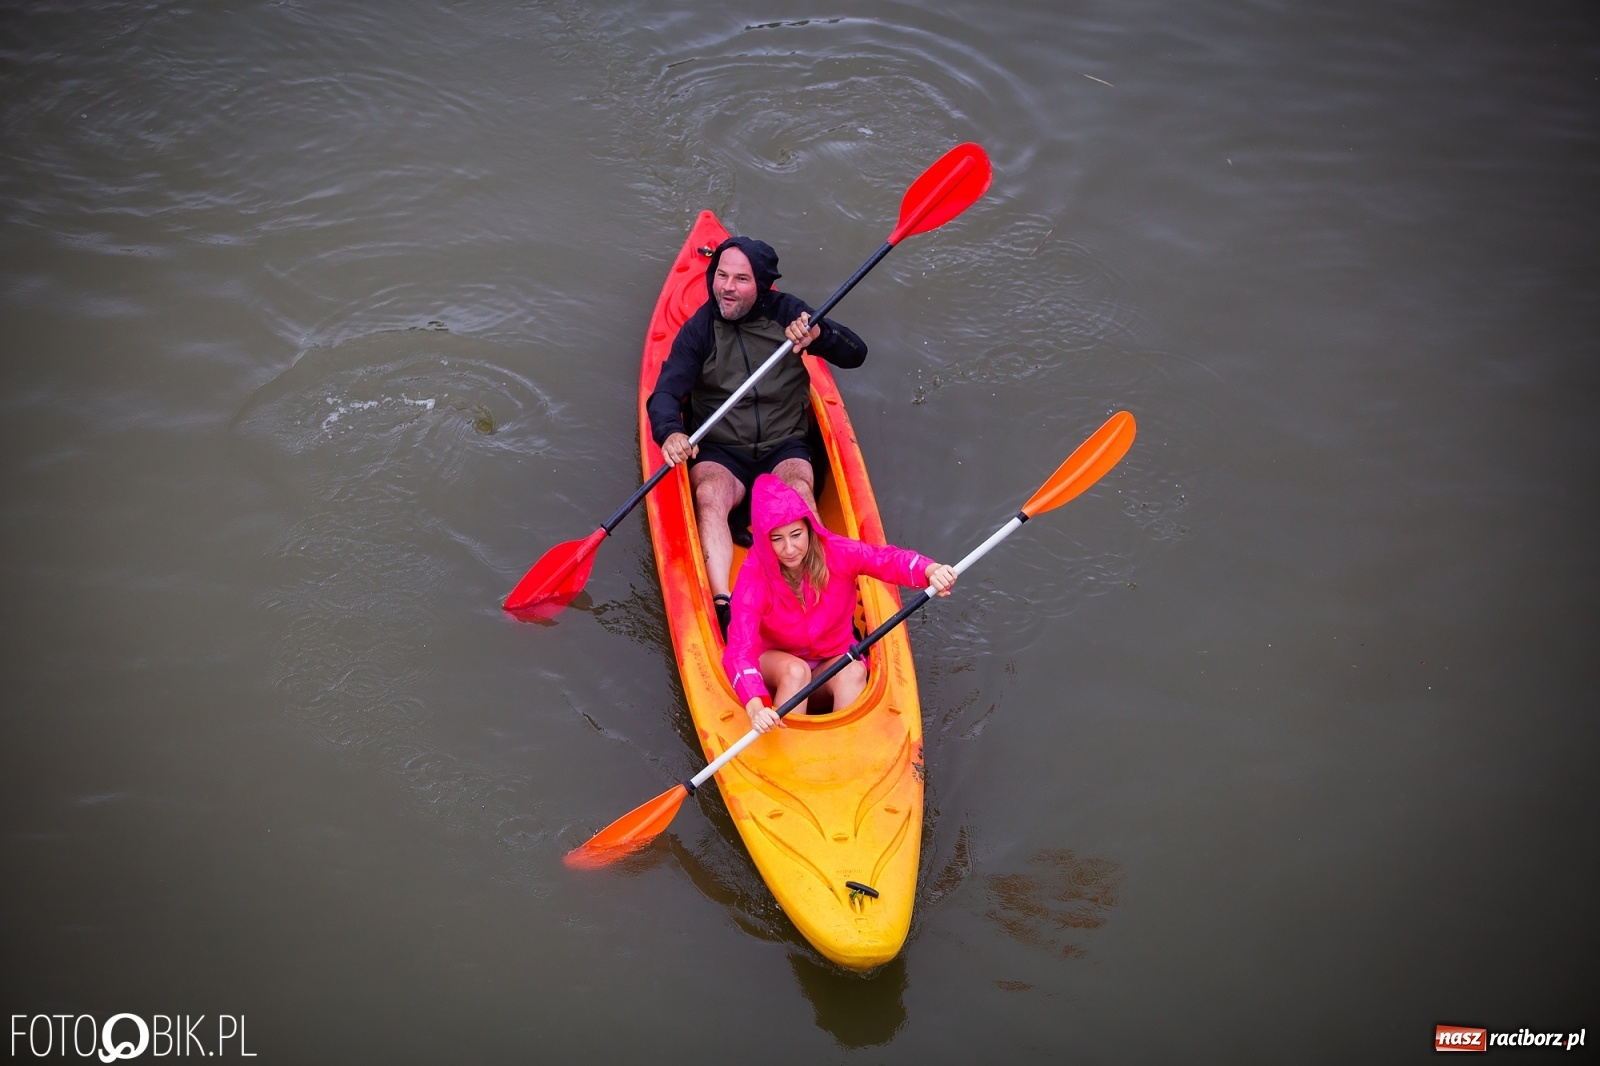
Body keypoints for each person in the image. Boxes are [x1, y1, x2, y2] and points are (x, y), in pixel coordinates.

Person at [646, 236, 868, 638]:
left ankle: (822, 598)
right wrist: (671, 431)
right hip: (721, 449)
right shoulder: (699, 330)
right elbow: (664, 394)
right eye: (721, 276)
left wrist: (821, 335)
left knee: (798, 492)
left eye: (740, 279)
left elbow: (856, 353)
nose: (726, 287)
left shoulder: (789, 314)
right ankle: (723, 605)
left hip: (783, 445)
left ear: (761, 285)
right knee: (709, 494)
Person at [723, 474, 957, 731]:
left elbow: (884, 560)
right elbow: (739, 651)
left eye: (796, 534)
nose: (789, 548)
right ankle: (787, 745)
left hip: (830, 656)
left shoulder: (836, 551)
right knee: (796, 671)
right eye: (776, 539)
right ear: (764, 541)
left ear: (809, 529)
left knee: (854, 671)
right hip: (777, 664)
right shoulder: (753, 577)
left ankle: (844, 743)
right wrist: (756, 706)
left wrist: (929, 570)